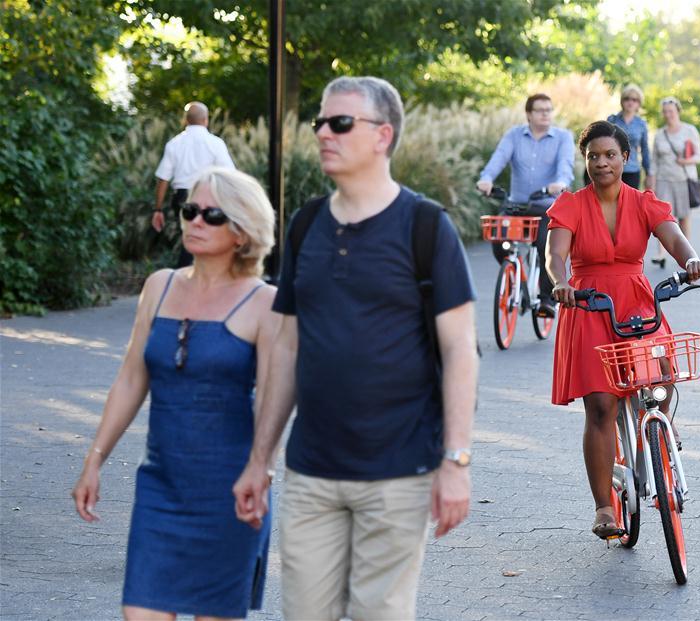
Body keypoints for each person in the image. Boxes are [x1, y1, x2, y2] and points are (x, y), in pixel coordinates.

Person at [232, 76, 479, 621]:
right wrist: (259, 460)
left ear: (382, 135)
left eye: (339, 123)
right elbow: (287, 350)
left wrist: (456, 461)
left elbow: (462, 351)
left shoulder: (425, 227)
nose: (323, 132)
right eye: (320, 122)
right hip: (311, 472)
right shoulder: (305, 226)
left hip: (399, 473)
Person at [72, 167, 277, 620]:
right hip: (160, 488)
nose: (195, 221)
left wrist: (261, 470)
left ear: (242, 232)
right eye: (189, 210)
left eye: (211, 214)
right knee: (139, 610)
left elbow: (273, 401)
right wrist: (94, 459)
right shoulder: (158, 286)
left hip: (231, 492)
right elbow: (130, 378)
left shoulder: (263, 302)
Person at [545, 120, 700, 539]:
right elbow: (555, 255)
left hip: (636, 301)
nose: (602, 163)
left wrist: (690, 261)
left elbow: (674, 239)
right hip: (588, 305)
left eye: (610, 155)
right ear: (586, 160)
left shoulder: (644, 202)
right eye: (593, 156)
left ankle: (660, 434)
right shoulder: (571, 205)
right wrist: (560, 283)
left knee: (662, 379)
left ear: (626, 158)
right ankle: (604, 506)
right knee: (600, 406)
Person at [477, 93, 575, 317]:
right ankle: (513, 275)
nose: (545, 114)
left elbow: (565, 166)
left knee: (546, 247)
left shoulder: (562, 137)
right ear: (529, 114)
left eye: (549, 110)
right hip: (516, 206)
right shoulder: (514, 135)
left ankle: (546, 299)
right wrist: (487, 179)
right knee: (497, 237)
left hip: (546, 207)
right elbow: (498, 158)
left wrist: (560, 183)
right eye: (540, 110)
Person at [152, 102, 236, 267]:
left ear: (186, 120)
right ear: (206, 120)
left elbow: (163, 178)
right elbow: (229, 174)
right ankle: (195, 275)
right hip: (210, 197)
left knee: (189, 236)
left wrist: (158, 209)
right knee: (208, 237)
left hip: (183, 198)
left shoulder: (174, 144)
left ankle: (187, 275)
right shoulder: (216, 143)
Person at [650, 96, 700, 269]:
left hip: (683, 179)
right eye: (665, 112)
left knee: (684, 217)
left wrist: (686, 161)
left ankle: (688, 256)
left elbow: (699, 156)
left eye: (671, 111)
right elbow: (654, 162)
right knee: (662, 217)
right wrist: (652, 182)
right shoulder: (659, 134)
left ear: (678, 111)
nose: (668, 115)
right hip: (664, 179)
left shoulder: (689, 130)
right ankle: (661, 254)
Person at [587, 84, 654, 191]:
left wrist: (649, 173)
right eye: (627, 99)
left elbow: (645, 149)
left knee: (629, 205)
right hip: (611, 169)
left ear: (639, 103)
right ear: (622, 101)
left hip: (632, 170)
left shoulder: (641, 124)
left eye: (634, 99)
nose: (630, 102)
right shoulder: (612, 120)